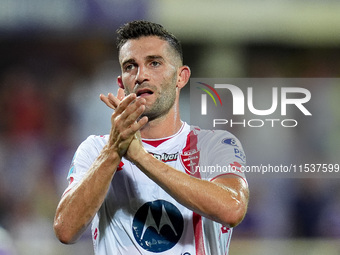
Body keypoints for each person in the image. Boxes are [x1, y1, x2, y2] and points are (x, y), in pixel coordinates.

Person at [53, 20, 249, 255]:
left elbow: (233, 210)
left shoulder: (214, 144)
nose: (140, 75)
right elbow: (65, 230)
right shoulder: (96, 149)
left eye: (154, 63)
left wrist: (140, 157)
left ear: (181, 77)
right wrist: (114, 151)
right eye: (130, 67)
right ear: (121, 83)